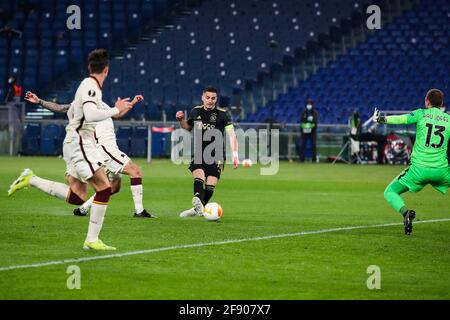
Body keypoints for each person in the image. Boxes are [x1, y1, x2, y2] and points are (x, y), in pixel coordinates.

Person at [9, 49, 132, 250]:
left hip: (75, 143)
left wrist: (39, 101)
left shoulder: (85, 89)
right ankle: (92, 240)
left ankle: (31, 179)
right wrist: (116, 109)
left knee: (77, 197)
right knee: (105, 188)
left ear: (89, 67)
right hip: (80, 142)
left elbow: (64, 108)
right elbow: (92, 116)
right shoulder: (91, 88)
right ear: (107, 71)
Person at [19, 91, 156, 219]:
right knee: (135, 171)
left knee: (113, 187)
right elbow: (60, 108)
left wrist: (131, 103)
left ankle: (83, 208)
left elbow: (117, 114)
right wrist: (40, 101)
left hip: (108, 148)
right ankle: (139, 211)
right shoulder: (83, 106)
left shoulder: (102, 104)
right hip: (104, 149)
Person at [373, 89, 450, 235]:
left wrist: (381, 119)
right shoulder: (449, 120)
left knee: (390, 192)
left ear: (427, 102)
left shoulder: (421, 114)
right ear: (441, 104)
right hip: (441, 171)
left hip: (418, 171)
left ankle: (405, 213)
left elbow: (402, 119)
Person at [175, 86, 239, 217]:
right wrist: (181, 120)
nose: (210, 101)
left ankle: (198, 207)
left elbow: (232, 135)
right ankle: (197, 199)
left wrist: (235, 155)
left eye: (213, 98)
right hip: (199, 151)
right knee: (198, 174)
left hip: (217, 154)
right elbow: (188, 127)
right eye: (207, 98)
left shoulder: (223, 114)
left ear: (216, 99)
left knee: (210, 185)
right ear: (202, 97)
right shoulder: (195, 111)